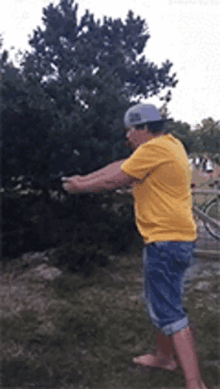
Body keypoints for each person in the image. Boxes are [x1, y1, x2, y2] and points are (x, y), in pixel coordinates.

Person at [61, 103, 207, 389]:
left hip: (166, 242)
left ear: (143, 128)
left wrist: (80, 188)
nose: (127, 136)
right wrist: (85, 177)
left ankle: (195, 383)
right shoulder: (169, 144)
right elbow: (120, 166)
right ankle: (164, 358)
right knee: (162, 301)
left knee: (170, 310)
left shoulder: (154, 149)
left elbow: (118, 178)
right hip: (176, 238)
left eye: (130, 129)